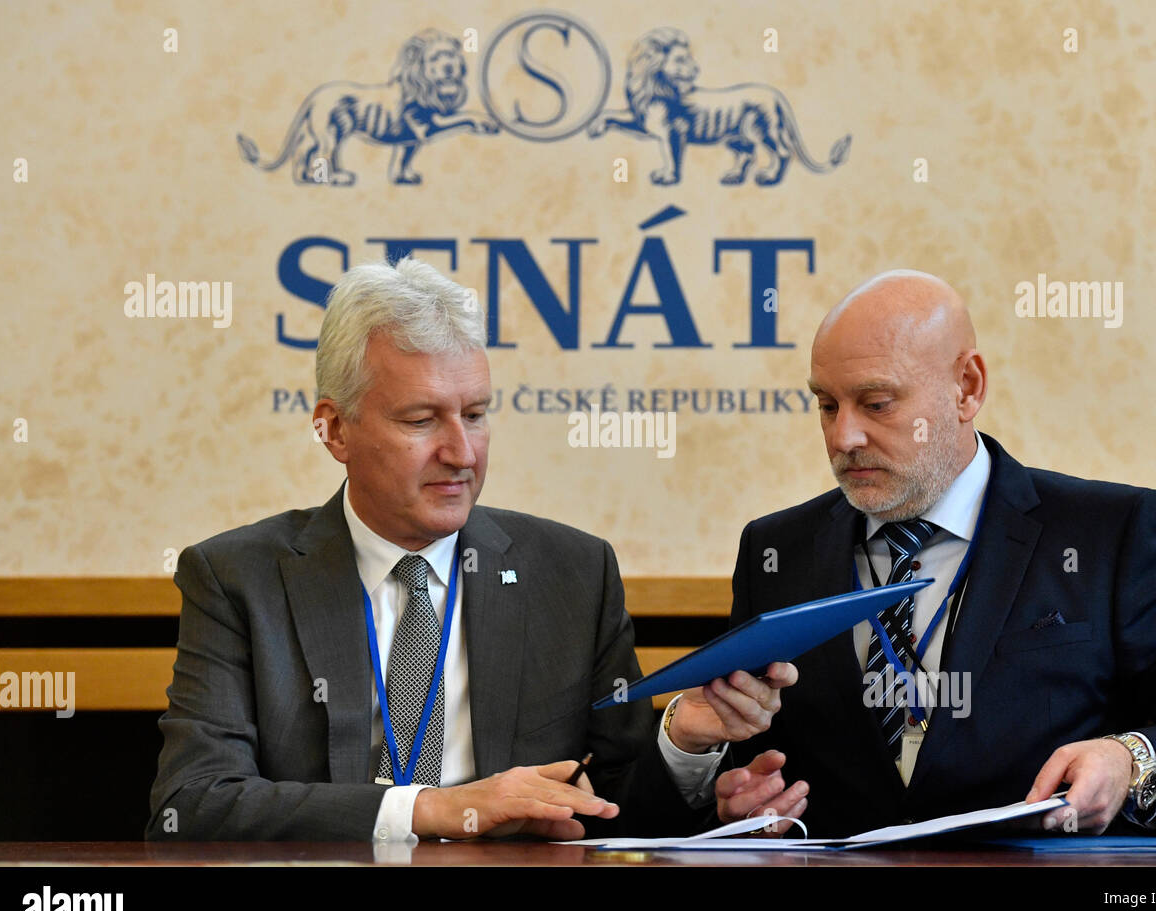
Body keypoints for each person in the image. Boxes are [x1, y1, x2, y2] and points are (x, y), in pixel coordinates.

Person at [146, 256, 795, 842]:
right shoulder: (238, 579)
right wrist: (433, 808)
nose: (462, 454)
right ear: (336, 428)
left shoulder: (573, 573)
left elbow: (616, 805)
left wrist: (685, 753)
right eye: (421, 420)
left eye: (476, 414)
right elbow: (191, 804)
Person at [720, 269, 1156, 839]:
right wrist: (732, 800)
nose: (843, 438)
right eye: (828, 405)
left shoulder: (1112, 533)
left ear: (967, 388)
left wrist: (1130, 760)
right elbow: (745, 759)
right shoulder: (775, 551)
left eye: (877, 403)